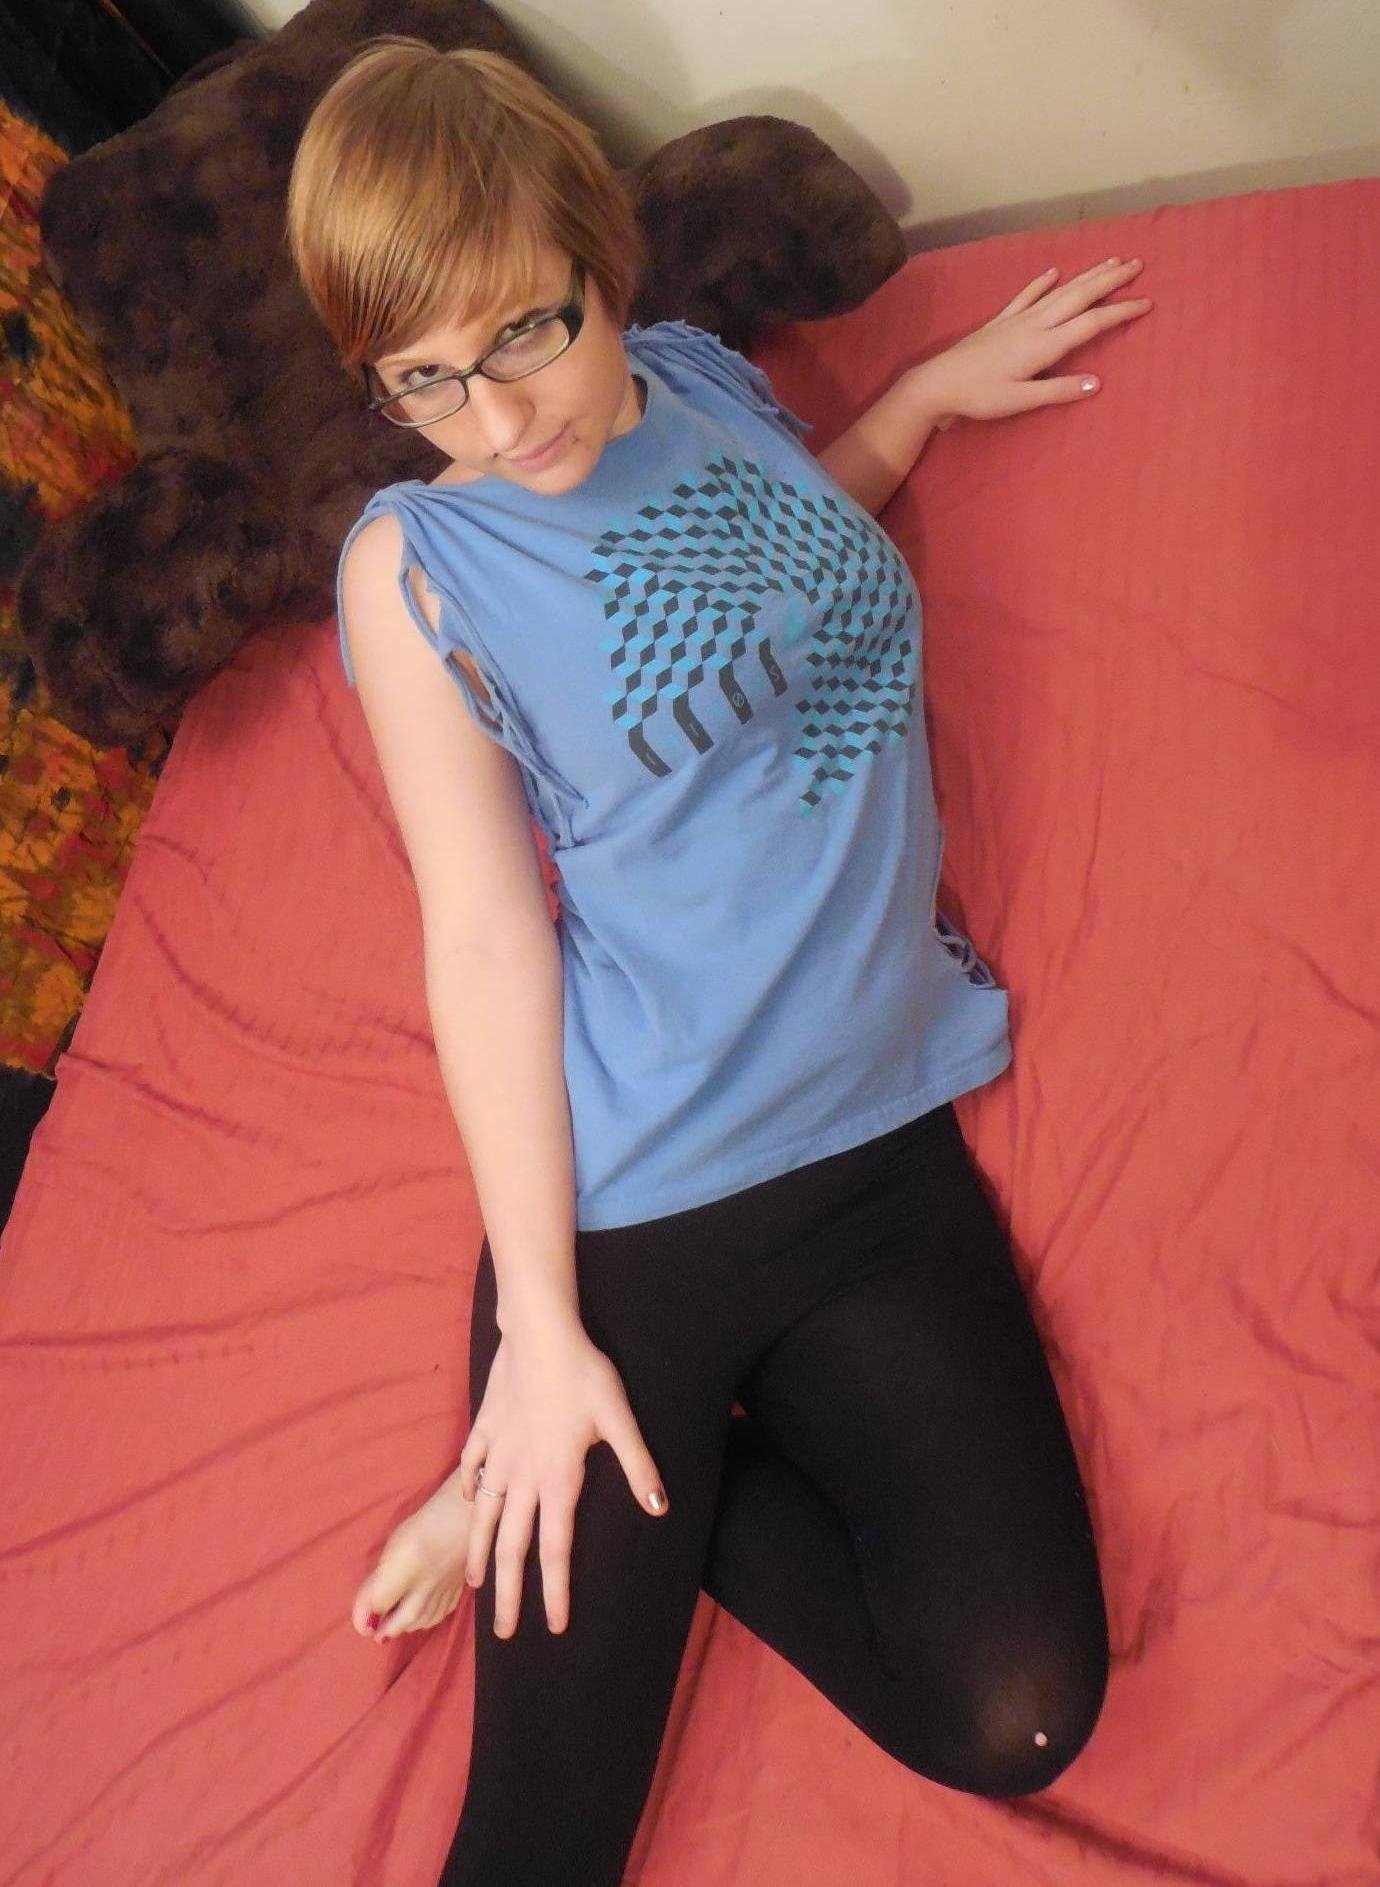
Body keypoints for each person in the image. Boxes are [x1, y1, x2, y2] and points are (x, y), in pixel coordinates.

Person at [288, 36, 1151, 1885]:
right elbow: (481, 937)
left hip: (878, 1151)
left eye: (524, 333)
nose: (498, 422)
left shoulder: (694, 378)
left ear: (598, 257)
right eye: (424, 380)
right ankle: (517, 1461)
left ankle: (618, 1497)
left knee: (1014, 1717)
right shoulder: (418, 570)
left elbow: (773, 576)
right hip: (636, 1215)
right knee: (538, 1848)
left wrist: (916, 404)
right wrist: (541, 1333)